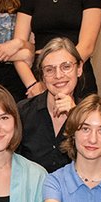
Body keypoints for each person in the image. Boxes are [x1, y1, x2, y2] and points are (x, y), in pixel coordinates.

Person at [17, 38, 80, 173]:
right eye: (49, 70)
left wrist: (76, 115)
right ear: (42, 76)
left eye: (66, 67)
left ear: (79, 69)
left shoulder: (92, 114)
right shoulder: (23, 112)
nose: (58, 75)